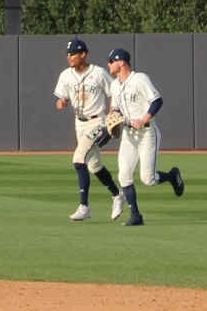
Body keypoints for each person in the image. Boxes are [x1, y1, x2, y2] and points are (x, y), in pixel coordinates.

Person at [102, 48, 183, 226]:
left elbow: (157, 100)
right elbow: (114, 108)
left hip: (146, 132)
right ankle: (136, 216)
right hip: (129, 135)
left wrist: (144, 119)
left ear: (121, 61)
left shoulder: (139, 79)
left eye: (111, 61)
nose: (108, 64)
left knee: (148, 179)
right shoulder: (115, 85)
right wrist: (112, 116)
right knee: (124, 174)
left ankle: (172, 176)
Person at [52, 37, 120, 220]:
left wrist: (113, 111)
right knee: (94, 166)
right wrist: (62, 101)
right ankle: (117, 194)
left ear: (83, 54)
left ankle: (84, 206)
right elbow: (62, 96)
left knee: (79, 158)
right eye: (68, 54)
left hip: (97, 122)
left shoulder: (98, 73)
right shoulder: (66, 75)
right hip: (79, 123)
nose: (70, 57)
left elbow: (114, 91)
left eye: (73, 53)